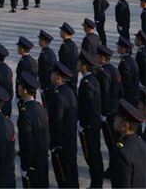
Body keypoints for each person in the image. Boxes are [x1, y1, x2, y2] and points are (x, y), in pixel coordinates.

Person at [17, 71, 50, 189]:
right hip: (42, 158)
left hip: (32, 163)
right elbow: (46, 135)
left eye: (20, 86)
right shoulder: (41, 108)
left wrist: (25, 166)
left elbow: (27, 143)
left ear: (25, 91)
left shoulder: (25, 114)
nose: (18, 87)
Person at [49, 62, 79, 189]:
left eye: (53, 73)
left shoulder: (58, 96)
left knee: (64, 179)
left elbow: (57, 123)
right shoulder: (68, 91)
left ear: (58, 77)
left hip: (62, 146)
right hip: (70, 142)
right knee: (71, 176)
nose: (51, 76)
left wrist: (54, 145)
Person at [77, 49, 104, 189]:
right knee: (95, 154)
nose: (77, 64)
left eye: (79, 62)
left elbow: (90, 107)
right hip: (94, 123)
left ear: (84, 65)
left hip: (89, 125)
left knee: (91, 156)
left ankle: (96, 184)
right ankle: (97, 182)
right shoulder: (91, 79)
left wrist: (82, 123)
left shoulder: (87, 83)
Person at [96, 44, 122, 175]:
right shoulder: (114, 69)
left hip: (109, 113)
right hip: (116, 109)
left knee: (111, 142)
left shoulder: (102, 73)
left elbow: (104, 94)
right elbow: (120, 90)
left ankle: (114, 169)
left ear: (102, 58)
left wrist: (104, 113)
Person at [110, 99, 146, 188]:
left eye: (118, 117)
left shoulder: (120, 152)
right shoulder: (142, 144)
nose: (115, 118)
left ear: (125, 126)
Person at [117, 36, 140, 106]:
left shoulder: (124, 63)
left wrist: (125, 98)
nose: (117, 48)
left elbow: (126, 82)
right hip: (134, 94)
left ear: (123, 49)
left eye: (118, 46)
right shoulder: (131, 59)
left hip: (129, 97)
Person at [58, 22, 79, 94]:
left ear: (64, 33)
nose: (60, 32)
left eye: (61, 31)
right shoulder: (73, 44)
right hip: (74, 74)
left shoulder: (65, 46)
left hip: (68, 76)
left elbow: (65, 62)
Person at [38, 29, 57, 108]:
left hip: (46, 86)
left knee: (47, 106)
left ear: (43, 42)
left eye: (39, 39)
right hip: (51, 84)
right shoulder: (51, 52)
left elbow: (44, 71)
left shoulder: (44, 54)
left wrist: (43, 86)